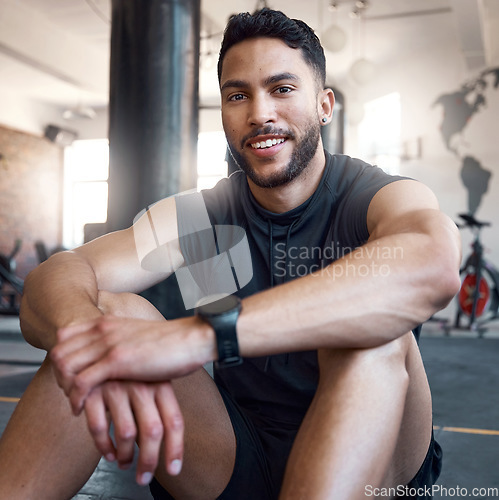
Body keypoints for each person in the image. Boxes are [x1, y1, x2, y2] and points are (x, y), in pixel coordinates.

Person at [0, 8, 461, 500]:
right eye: (238, 95)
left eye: (282, 89)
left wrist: (201, 337)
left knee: (371, 334)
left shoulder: (374, 197)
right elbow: (63, 274)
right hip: (239, 454)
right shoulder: (204, 216)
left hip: (375, 470)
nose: (260, 112)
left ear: (325, 105)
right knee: (106, 318)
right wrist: (87, 338)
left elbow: (432, 262)